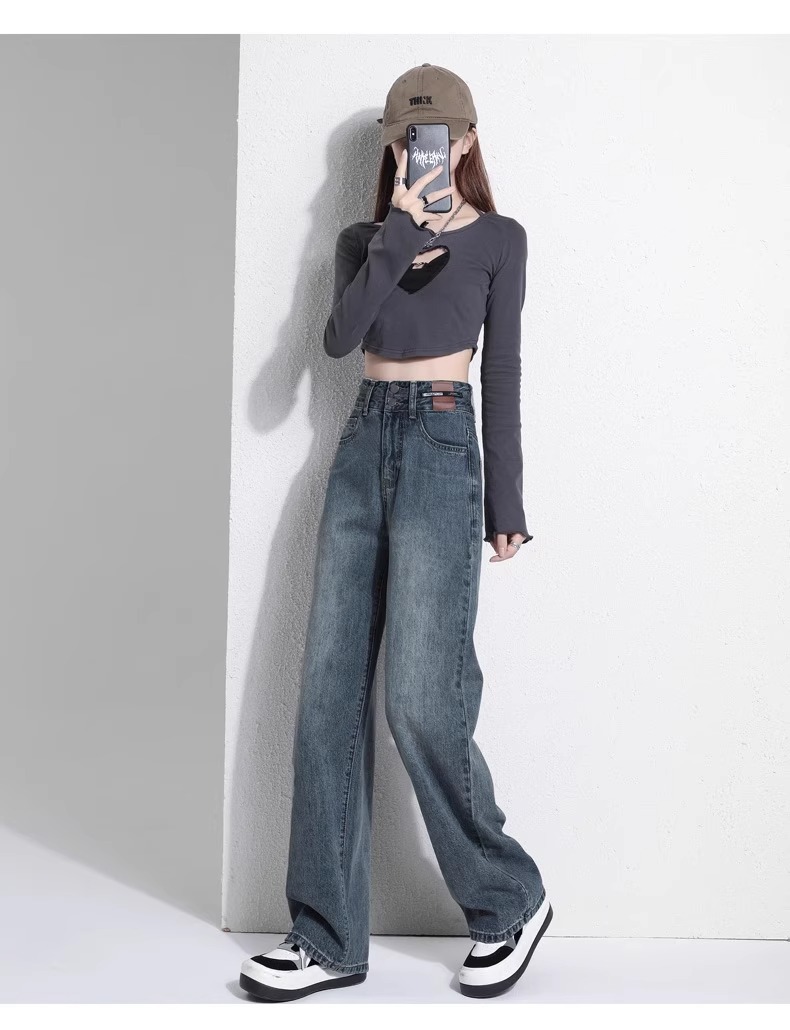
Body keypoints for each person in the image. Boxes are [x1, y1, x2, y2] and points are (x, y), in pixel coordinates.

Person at [239, 63, 552, 1003]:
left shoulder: (501, 240)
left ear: (466, 140)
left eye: (439, 134)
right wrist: (401, 234)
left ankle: (509, 898)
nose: (425, 148)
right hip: (360, 444)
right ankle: (327, 937)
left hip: (445, 446)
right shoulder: (362, 241)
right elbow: (341, 340)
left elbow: (506, 372)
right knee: (327, 696)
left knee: (423, 697)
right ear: (392, 144)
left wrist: (506, 504)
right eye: (408, 135)